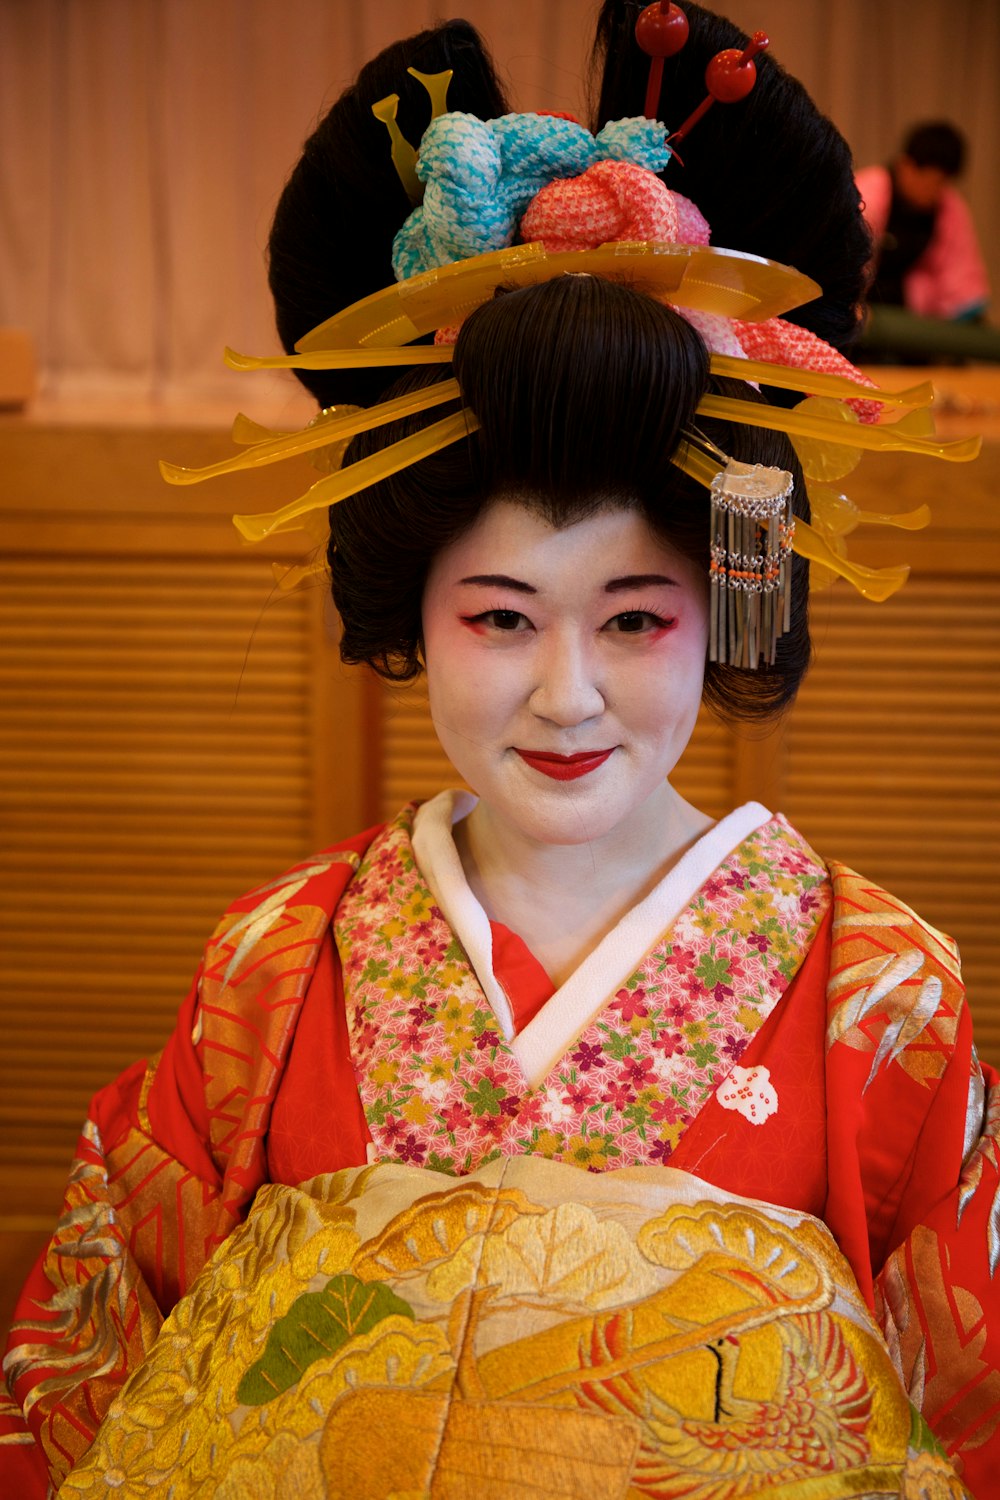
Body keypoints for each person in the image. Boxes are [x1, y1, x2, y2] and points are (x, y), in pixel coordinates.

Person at [2, 6, 997, 1496]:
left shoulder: (886, 989)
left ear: (723, 606)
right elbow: (94, 1364)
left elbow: (962, 1414)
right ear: (418, 611)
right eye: (502, 617)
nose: (568, 697)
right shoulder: (274, 965)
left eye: (637, 622)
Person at [856, 121, 990, 324]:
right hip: (859, 310)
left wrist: (969, 314)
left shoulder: (949, 207)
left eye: (941, 183)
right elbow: (845, 258)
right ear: (906, 165)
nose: (932, 191)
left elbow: (960, 271)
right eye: (928, 181)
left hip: (906, 316)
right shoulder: (869, 191)